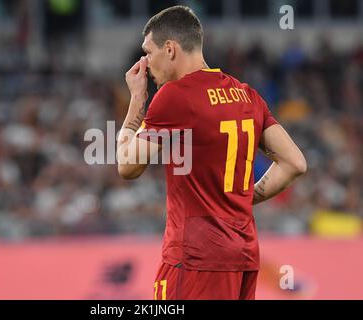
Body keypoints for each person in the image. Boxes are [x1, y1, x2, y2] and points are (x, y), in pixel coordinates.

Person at [116, 5, 307, 300]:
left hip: (195, 259)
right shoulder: (247, 94)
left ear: (170, 49)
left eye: (148, 52)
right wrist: (242, 198)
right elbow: (295, 163)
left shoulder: (175, 96)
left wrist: (137, 100)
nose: (145, 62)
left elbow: (127, 166)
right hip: (243, 255)